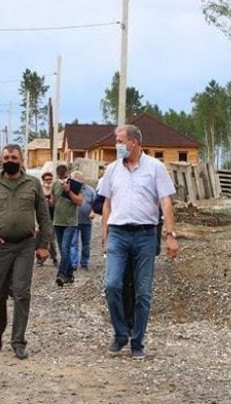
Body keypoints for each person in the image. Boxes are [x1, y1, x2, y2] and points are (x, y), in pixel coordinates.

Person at [99, 124, 179, 360]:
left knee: (142, 292)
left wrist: (170, 235)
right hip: (118, 234)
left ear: (133, 142)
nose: (117, 145)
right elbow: (106, 205)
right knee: (112, 285)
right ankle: (121, 333)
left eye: (120, 140)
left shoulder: (155, 168)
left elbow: (165, 202)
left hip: (145, 235)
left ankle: (138, 341)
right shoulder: (112, 170)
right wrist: (105, 235)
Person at [0, 144, 52, 360]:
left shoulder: (33, 184)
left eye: (14, 157)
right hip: (1, 246)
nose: (10, 160)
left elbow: (44, 217)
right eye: (6, 157)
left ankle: (18, 340)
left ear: (21, 160)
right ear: (1, 160)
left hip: (25, 246)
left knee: (21, 293)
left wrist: (44, 245)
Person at [51, 164, 83, 287]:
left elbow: (80, 201)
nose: (62, 178)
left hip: (70, 222)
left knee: (65, 248)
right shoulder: (55, 184)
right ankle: (70, 275)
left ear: (68, 173)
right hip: (58, 221)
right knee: (62, 249)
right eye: (60, 176)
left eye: (63, 176)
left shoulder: (75, 185)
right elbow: (53, 202)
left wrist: (68, 191)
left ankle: (61, 274)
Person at [69, 171, 96, 270]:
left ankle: (84, 262)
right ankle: (74, 263)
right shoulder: (70, 190)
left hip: (86, 221)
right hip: (73, 220)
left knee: (86, 243)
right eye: (76, 179)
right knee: (73, 243)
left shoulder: (90, 190)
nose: (79, 181)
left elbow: (95, 203)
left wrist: (93, 211)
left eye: (80, 179)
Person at [38, 172, 59, 267]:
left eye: (50, 179)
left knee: (51, 239)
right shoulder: (40, 190)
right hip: (40, 218)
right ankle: (40, 259)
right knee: (39, 238)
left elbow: (55, 203)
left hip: (52, 217)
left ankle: (54, 256)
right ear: (43, 180)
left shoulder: (53, 190)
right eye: (47, 179)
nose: (49, 181)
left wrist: (50, 202)